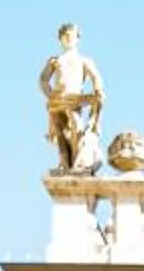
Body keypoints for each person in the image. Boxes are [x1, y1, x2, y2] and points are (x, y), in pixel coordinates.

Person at [38, 23, 104, 173]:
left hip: (74, 100)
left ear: (77, 38)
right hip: (57, 101)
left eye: (71, 35)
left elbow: (96, 77)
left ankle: (77, 163)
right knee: (60, 132)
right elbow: (43, 79)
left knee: (77, 126)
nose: (68, 38)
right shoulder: (55, 60)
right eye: (65, 36)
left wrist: (98, 89)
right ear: (60, 39)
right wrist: (49, 94)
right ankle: (65, 165)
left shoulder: (84, 60)